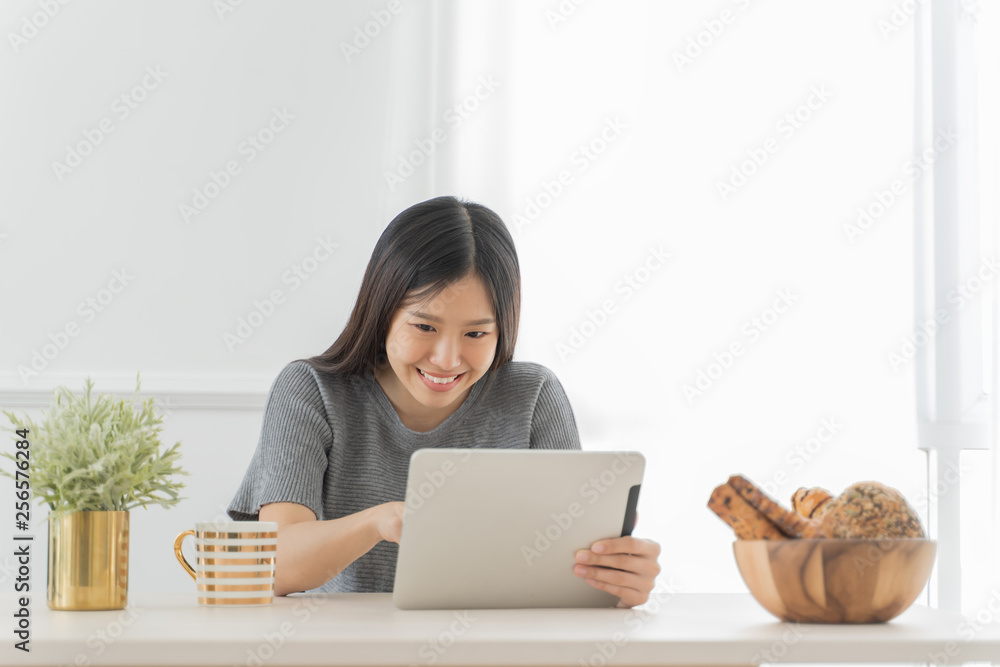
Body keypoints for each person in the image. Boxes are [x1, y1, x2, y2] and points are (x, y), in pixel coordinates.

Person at [227, 196, 661, 607]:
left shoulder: (533, 396)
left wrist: (618, 582)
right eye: (425, 327)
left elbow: (568, 578)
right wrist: (378, 522)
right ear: (383, 313)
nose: (447, 359)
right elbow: (277, 565)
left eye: (476, 334)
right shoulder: (312, 391)